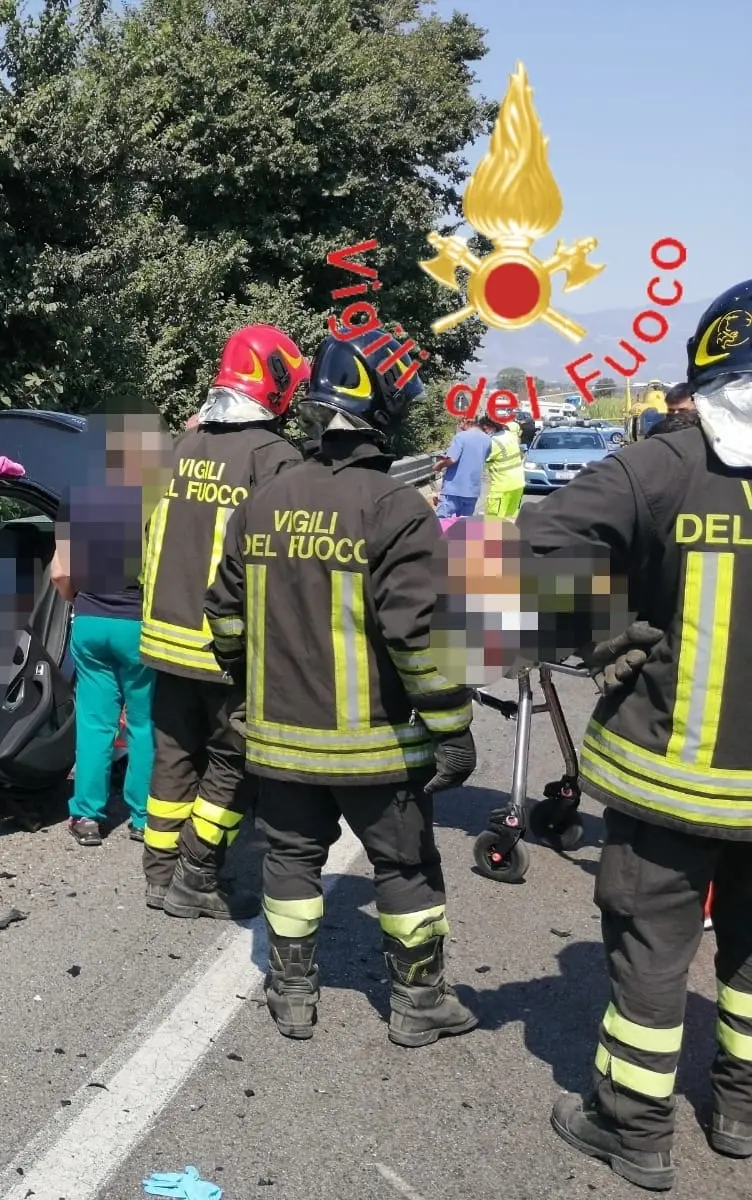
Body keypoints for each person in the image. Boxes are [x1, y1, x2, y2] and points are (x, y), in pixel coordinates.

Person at [508, 281, 752, 1192]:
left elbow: (532, 551)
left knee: (654, 953)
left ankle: (633, 1127)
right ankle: (739, 1109)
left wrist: (599, 629)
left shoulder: (661, 466)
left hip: (670, 784)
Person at [208, 329, 478, 1047]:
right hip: (375, 749)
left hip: (277, 739)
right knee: (405, 866)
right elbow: (419, 640)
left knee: (290, 857)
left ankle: (292, 991)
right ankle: (419, 1004)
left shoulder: (263, 502)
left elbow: (224, 618)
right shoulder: (395, 508)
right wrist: (452, 728)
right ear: (379, 408)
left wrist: (245, 691)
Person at [136, 324, 309, 914]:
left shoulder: (176, 447)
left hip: (163, 637)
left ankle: (158, 873)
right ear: (276, 384)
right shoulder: (275, 458)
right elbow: (286, 560)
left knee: (174, 754)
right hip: (225, 646)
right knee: (236, 761)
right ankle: (196, 871)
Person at [51, 408, 166, 848]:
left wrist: (78, 601)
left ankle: (86, 816)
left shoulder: (76, 495)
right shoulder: (157, 499)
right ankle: (143, 816)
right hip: (139, 625)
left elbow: (60, 570)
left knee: (96, 722)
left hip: (91, 620)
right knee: (143, 722)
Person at [431, 417, 492, 518]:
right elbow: (483, 458)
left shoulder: (461, 437)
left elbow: (452, 459)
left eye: (459, 422)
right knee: (464, 526)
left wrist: (439, 465)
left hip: (454, 489)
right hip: (473, 489)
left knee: (442, 521)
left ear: (465, 421)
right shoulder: (487, 439)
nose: (459, 426)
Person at [479, 413, 526, 519]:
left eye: (483, 429)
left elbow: (479, 459)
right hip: (518, 483)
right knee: (510, 519)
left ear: (488, 427)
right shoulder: (510, 436)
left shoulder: (493, 442)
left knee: (493, 521)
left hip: (501, 487)